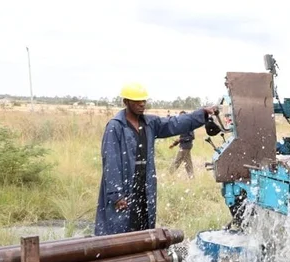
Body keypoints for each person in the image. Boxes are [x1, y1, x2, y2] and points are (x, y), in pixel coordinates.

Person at [94, 82, 219, 236]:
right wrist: (116, 195)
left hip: (144, 186)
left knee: (143, 228)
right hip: (125, 189)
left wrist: (202, 114)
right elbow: (111, 162)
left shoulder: (150, 124)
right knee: (121, 231)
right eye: (137, 101)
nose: (142, 104)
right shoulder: (116, 127)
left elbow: (175, 123)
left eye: (143, 100)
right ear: (126, 102)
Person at [170, 111, 195, 179]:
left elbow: (192, 137)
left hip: (185, 147)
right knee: (188, 163)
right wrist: (174, 144)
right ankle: (192, 177)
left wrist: (180, 140)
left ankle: (169, 174)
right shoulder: (183, 125)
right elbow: (181, 138)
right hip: (184, 146)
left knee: (177, 161)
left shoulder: (189, 125)